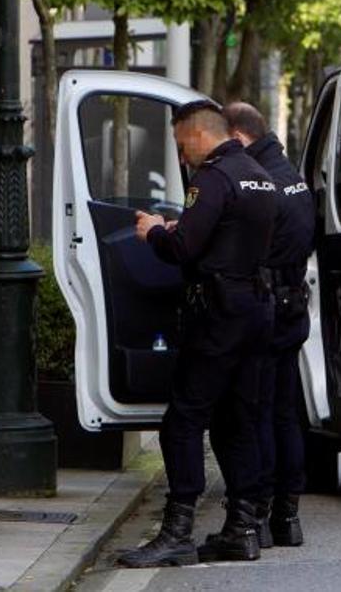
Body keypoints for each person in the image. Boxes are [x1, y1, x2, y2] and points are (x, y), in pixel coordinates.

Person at [117, 100, 276, 568]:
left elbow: (184, 247)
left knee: (183, 421)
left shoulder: (211, 176)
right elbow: (231, 236)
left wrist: (153, 233)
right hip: (256, 307)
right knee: (236, 421)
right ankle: (243, 529)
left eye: (179, 143)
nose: (180, 154)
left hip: (217, 314)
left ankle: (177, 532)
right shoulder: (258, 173)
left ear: (194, 134)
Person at [219, 102, 315, 548]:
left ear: (237, 137)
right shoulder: (291, 174)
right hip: (293, 302)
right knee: (286, 414)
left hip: (265, 305)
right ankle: (288, 517)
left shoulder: (257, 181)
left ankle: (253, 512)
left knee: (253, 412)